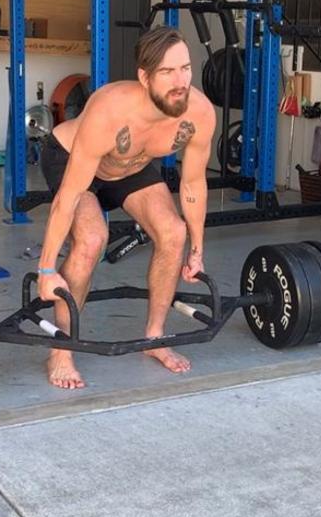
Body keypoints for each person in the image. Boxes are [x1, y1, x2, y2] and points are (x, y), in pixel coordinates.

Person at [38, 27, 216, 390]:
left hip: (131, 165)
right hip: (73, 158)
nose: (180, 80)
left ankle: (154, 337)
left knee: (173, 231)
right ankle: (61, 350)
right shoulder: (111, 109)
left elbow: (194, 183)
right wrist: (45, 268)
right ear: (144, 77)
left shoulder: (198, 112)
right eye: (168, 72)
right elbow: (68, 197)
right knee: (91, 238)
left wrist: (196, 248)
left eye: (185, 68)